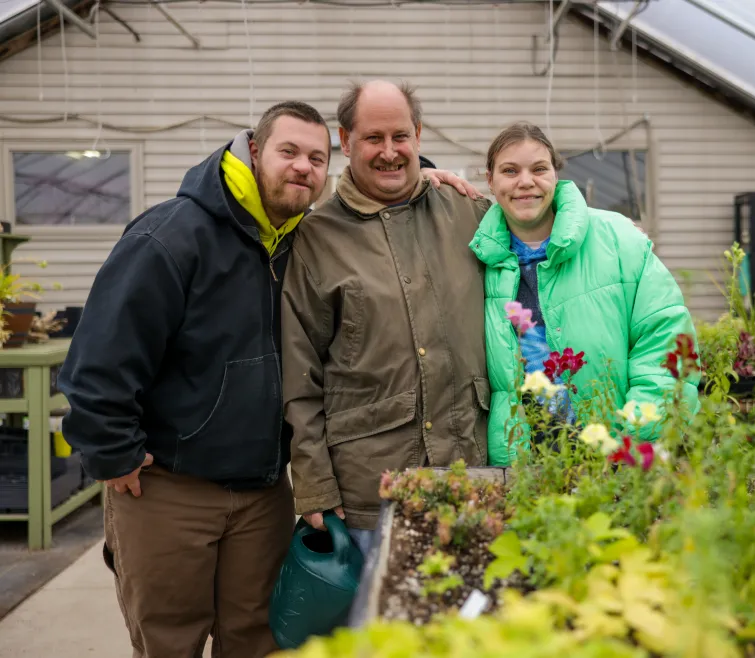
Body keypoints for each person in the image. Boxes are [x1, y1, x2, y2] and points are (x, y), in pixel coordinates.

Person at [57, 99, 478, 658]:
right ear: (254, 151)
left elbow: (388, 194)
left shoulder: (300, 237)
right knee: (169, 639)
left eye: (315, 157)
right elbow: (98, 357)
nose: (303, 167)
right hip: (169, 487)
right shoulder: (174, 234)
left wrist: (425, 174)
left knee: (257, 640)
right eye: (288, 152)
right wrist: (112, 453)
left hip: (261, 492)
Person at [281, 80, 491, 554]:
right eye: (374, 138)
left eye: (400, 136)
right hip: (371, 489)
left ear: (418, 135)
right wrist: (314, 484)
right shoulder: (316, 237)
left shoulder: (469, 213)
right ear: (346, 140)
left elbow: (538, 229)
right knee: (380, 624)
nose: (390, 152)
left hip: (472, 469)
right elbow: (299, 372)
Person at [468, 121, 700, 466]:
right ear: (490, 180)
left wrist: (631, 439)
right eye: (510, 171)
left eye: (539, 169)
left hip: (617, 465)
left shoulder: (619, 240)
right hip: (521, 471)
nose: (525, 182)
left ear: (555, 175)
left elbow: (665, 343)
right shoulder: (478, 258)